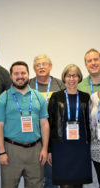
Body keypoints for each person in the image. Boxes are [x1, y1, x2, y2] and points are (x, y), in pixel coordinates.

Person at [0, 61, 50, 188]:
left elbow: (44, 124)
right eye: (16, 73)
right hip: (11, 151)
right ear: (11, 76)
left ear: (28, 74)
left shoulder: (38, 97)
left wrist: (45, 149)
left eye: (23, 73)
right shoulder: (3, 98)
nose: (20, 76)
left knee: (36, 185)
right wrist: (2, 152)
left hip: (35, 150)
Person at [47, 64, 92, 188]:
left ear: (79, 78)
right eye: (68, 76)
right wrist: (49, 150)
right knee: (65, 184)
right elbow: (50, 124)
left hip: (80, 147)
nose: (71, 79)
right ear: (64, 78)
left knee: (78, 184)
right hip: (61, 148)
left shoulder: (85, 97)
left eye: (75, 75)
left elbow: (89, 122)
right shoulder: (56, 97)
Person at [28, 54, 64, 188]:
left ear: (50, 67)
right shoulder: (28, 84)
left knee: (50, 176)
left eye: (44, 64)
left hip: (53, 137)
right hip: (32, 136)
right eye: (38, 65)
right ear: (34, 68)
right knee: (34, 178)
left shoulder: (59, 84)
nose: (41, 67)